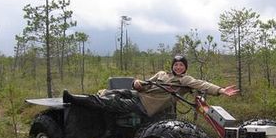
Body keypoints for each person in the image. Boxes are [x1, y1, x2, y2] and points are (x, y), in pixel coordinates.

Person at [63, 55, 238, 116]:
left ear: (185, 68)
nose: (178, 67)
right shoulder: (162, 74)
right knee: (115, 92)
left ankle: (77, 100)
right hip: (139, 94)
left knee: (112, 102)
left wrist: (221, 90)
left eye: (181, 65)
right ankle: (92, 96)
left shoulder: (184, 80)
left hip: (147, 105)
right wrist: (136, 83)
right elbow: (146, 84)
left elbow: (202, 84)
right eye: (176, 65)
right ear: (172, 66)